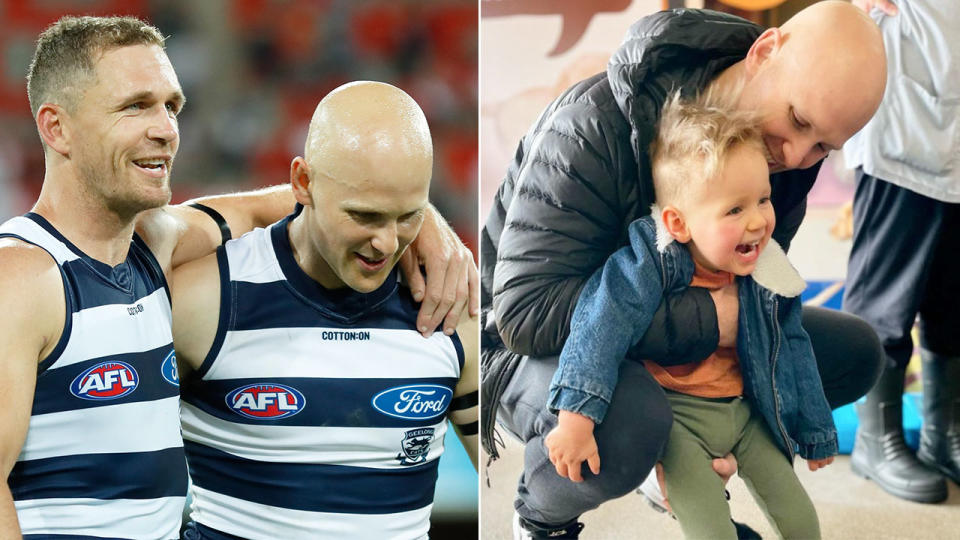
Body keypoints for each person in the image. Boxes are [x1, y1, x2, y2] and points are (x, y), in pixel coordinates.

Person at [0, 16, 476, 538]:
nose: (165, 128)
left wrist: (412, 214)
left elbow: (267, 207)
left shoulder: (152, 253)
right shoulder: (21, 276)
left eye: (171, 105)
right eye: (135, 106)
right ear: (55, 127)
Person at [480, 2, 886, 537]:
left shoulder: (786, 155)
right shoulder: (592, 125)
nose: (794, 155)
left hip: (666, 338)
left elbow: (754, 281)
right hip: (530, 344)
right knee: (629, 424)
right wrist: (710, 324)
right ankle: (540, 515)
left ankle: (682, 457)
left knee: (854, 352)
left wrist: (731, 407)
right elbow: (525, 315)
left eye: (822, 148)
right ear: (764, 52)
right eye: (798, 121)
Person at [171, 81, 478, 540]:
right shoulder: (206, 299)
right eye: (365, 216)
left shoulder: (451, 305)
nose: (387, 243)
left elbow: (510, 484)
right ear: (303, 183)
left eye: (409, 215)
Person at [546, 91, 836, 539]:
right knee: (711, 531)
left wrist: (814, 430)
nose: (758, 222)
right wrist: (575, 417)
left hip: (747, 412)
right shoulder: (654, 256)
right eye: (735, 209)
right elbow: (603, 321)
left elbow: (793, 343)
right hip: (679, 421)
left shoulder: (769, 264)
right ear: (679, 223)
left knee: (802, 522)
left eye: (763, 199)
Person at [842, 0, 960, 503]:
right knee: (887, 290)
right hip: (906, 99)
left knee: (953, 292)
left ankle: (943, 431)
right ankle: (876, 437)